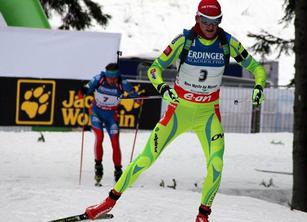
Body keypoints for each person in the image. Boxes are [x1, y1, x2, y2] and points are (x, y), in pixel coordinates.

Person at [84, 0, 267, 221]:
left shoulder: (227, 43)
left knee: (216, 164)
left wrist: (259, 85)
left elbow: (257, 69)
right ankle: (108, 202)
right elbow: (154, 69)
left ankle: (203, 216)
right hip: (178, 112)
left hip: (208, 115)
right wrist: (163, 88)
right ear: (197, 18)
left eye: (215, 21)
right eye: (206, 20)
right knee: (145, 159)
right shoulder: (184, 41)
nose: (210, 26)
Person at [79, 63, 138, 184]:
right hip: (97, 115)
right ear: (106, 75)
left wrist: (140, 97)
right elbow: (84, 90)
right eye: (110, 78)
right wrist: (83, 90)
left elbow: (136, 98)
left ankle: (118, 171)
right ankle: (98, 166)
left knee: (115, 143)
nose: (112, 81)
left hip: (112, 117)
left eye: (114, 78)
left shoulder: (123, 83)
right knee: (99, 137)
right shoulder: (98, 79)